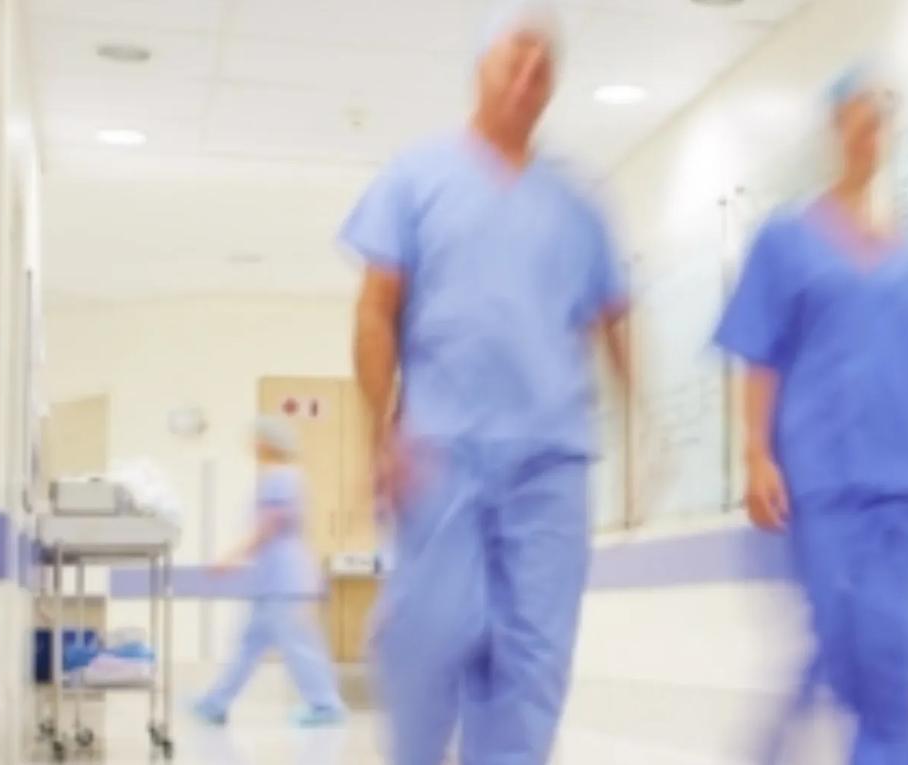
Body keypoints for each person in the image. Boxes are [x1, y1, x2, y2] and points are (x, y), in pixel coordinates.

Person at [339, 3, 630, 763]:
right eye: (517, 54)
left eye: (546, 64)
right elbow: (375, 310)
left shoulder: (576, 205)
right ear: (481, 66)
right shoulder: (417, 177)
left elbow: (613, 317)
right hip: (442, 448)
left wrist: (642, 425)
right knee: (432, 639)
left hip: (552, 457)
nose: (532, 73)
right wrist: (380, 432)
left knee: (532, 659)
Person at [715, 68, 908, 764]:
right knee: (845, 652)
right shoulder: (786, 239)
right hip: (824, 487)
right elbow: (759, 352)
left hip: (905, 490)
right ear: (835, 127)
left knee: (892, 669)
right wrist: (756, 453)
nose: (872, 131)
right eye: (859, 115)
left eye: (884, 117)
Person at [193, 416, 345, 727]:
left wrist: (231, 557)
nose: (251, 444)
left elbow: (270, 526)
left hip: (285, 581)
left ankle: (326, 706)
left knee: (298, 646)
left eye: (256, 438)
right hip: (272, 580)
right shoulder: (280, 476)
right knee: (248, 646)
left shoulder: (281, 477)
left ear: (266, 443)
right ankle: (215, 702)